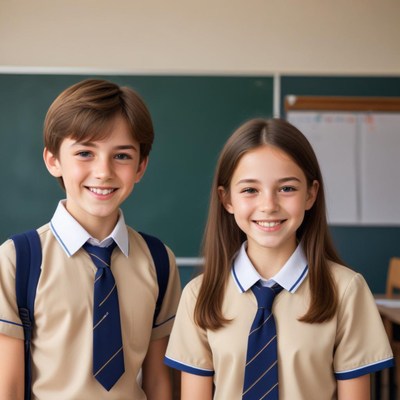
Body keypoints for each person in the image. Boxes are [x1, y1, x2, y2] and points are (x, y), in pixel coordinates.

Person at [164, 118, 394, 399]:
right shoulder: (199, 295)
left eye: (287, 188)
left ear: (310, 194)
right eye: (250, 190)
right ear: (227, 199)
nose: (269, 205)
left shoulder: (346, 290)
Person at [0, 79, 181, 400]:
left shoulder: (158, 260)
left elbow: (159, 381)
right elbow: (8, 388)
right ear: (53, 160)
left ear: (141, 166)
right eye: (85, 153)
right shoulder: (17, 259)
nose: (103, 171)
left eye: (122, 156)